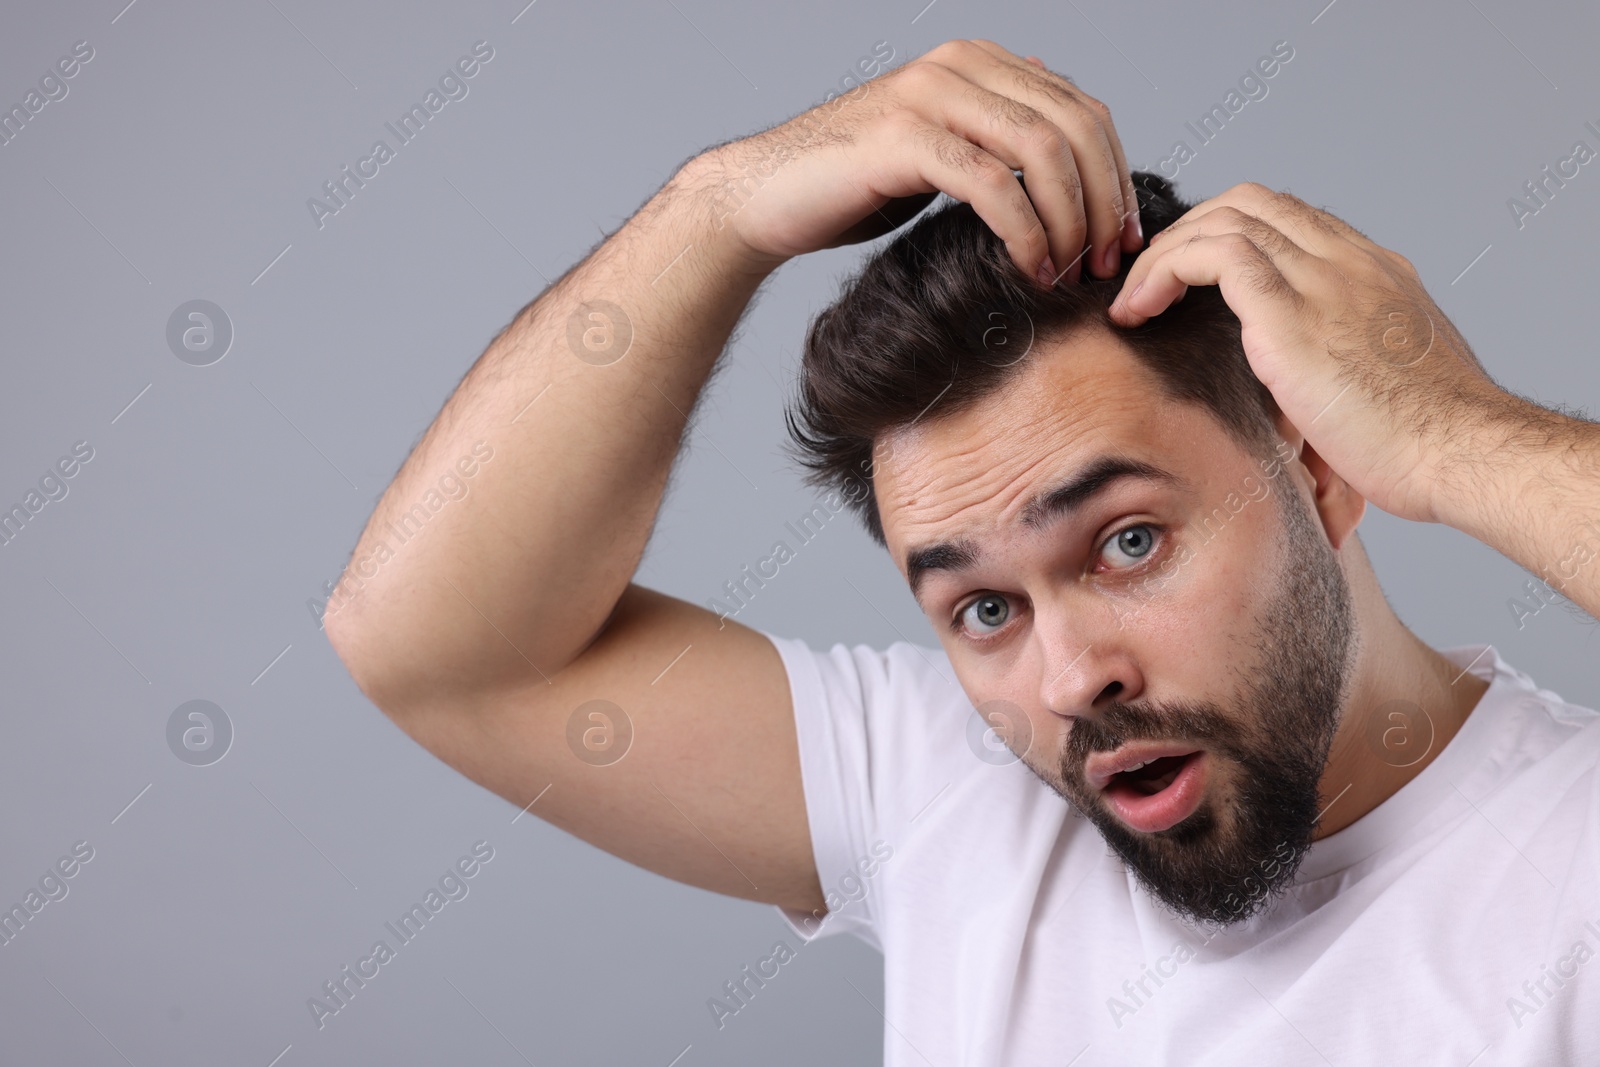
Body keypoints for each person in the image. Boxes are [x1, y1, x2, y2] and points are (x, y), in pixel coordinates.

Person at [323, 38, 1600, 1065]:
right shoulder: (948, 789)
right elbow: (435, 647)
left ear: (1317, 468)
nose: (1068, 679)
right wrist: (721, 208)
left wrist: (1455, 433)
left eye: (1129, 541)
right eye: (983, 607)